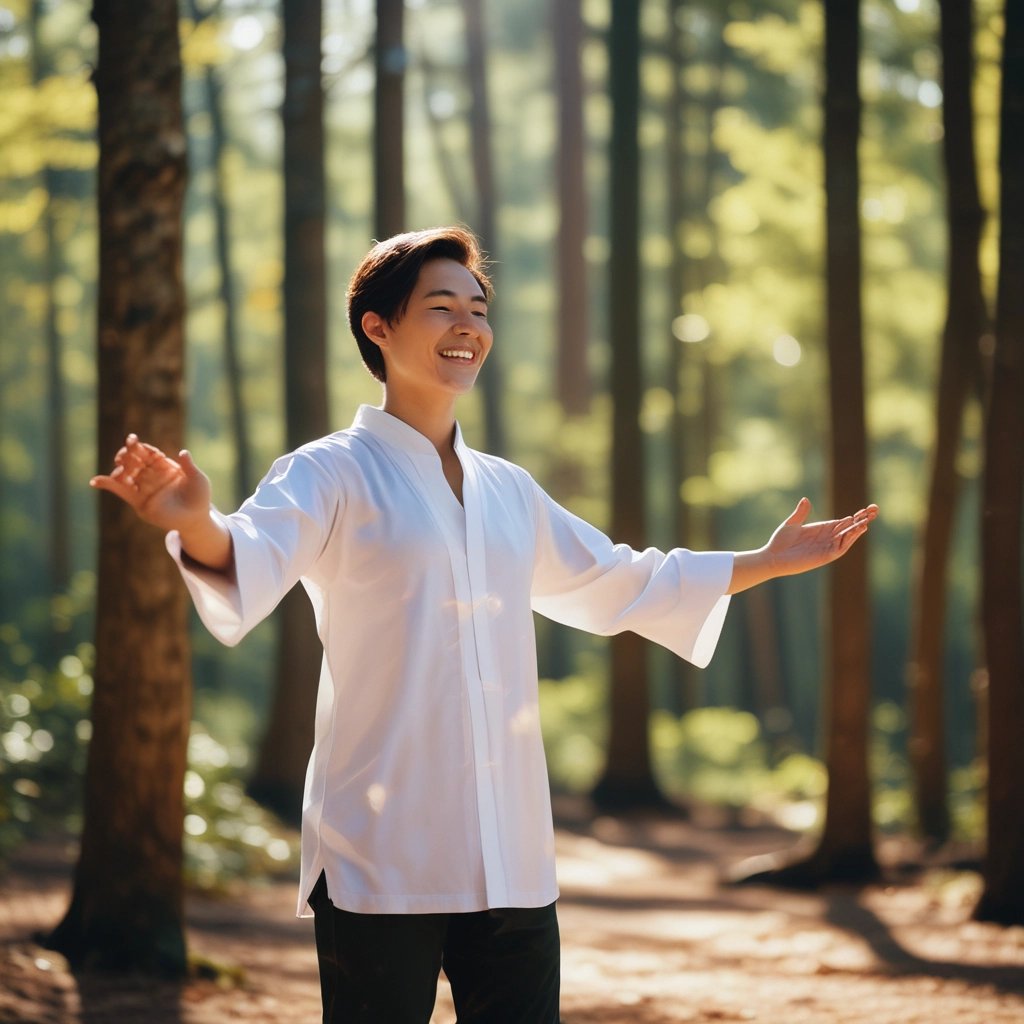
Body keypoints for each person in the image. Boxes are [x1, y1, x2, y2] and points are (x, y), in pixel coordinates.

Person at [91, 225, 878, 1023]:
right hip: (381, 849)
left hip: (511, 855)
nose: (468, 326)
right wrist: (195, 523)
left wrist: (763, 562)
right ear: (378, 326)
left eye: (478, 307)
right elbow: (249, 552)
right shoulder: (327, 472)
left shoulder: (508, 490)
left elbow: (616, 579)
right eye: (441, 307)